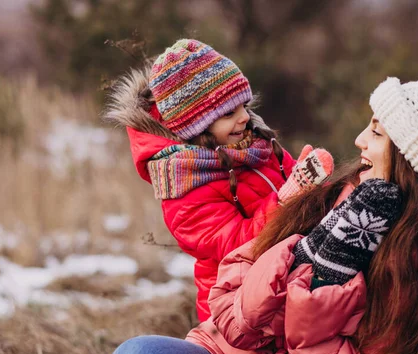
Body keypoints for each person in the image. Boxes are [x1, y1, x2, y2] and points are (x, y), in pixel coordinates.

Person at [105, 77, 418, 354]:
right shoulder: (334, 199)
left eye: (376, 132)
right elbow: (229, 299)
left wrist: (327, 283)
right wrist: (304, 253)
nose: (360, 139)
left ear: (413, 158)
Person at [104, 39, 334, 322]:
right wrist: (289, 196)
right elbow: (236, 245)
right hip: (235, 312)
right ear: (195, 125)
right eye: (228, 113)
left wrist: (319, 188)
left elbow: (293, 183)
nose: (244, 118)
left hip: (284, 281)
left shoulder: (257, 145)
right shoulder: (184, 189)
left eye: (244, 106)